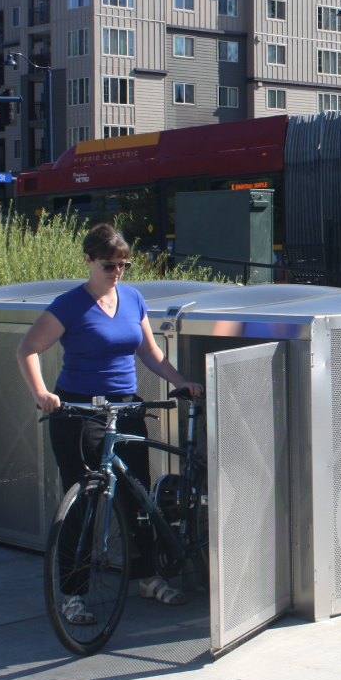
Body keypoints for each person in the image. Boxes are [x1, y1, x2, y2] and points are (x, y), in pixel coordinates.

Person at [15, 223, 203, 626]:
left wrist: (180, 381)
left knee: (137, 499)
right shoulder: (69, 305)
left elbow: (149, 352)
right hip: (79, 413)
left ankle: (148, 578)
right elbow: (27, 349)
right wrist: (42, 393)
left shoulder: (133, 299)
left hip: (127, 409)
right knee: (82, 502)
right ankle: (74, 594)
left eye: (123, 265)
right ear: (87, 261)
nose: (117, 272)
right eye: (108, 265)